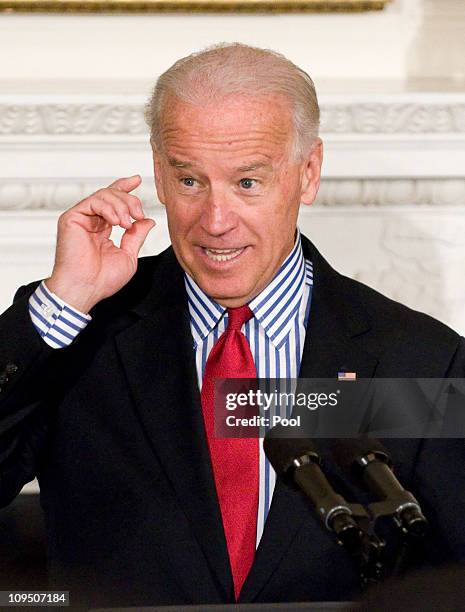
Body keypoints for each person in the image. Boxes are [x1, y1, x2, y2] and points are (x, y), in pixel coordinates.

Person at [0, 43, 464, 610]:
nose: (215, 222)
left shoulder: (415, 358)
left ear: (308, 173)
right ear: (159, 174)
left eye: (247, 182)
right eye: (191, 180)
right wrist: (63, 301)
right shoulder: (77, 334)